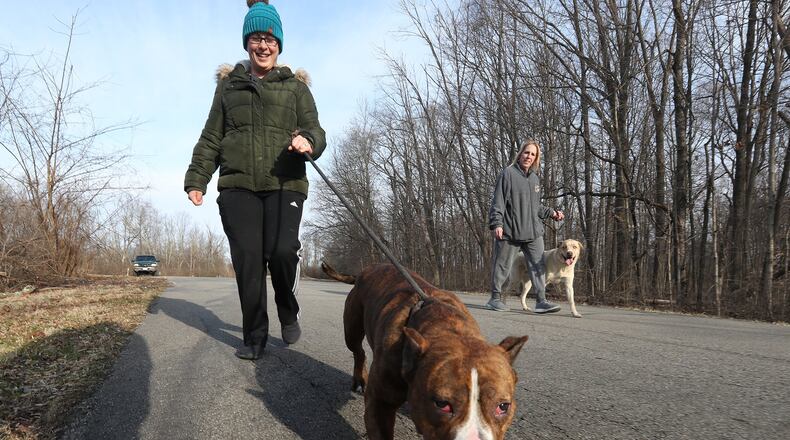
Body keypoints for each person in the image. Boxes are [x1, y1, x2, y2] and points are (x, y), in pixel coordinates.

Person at [183, 0, 326, 360]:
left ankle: (287, 308)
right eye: (256, 38)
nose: (263, 46)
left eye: (270, 39)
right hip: (238, 185)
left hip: (284, 183)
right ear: (247, 42)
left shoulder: (295, 87)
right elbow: (211, 136)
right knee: (248, 260)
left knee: (280, 252)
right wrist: (197, 178)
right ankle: (255, 337)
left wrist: (308, 141)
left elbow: (315, 129)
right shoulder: (229, 87)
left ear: (279, 44)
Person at [487, 140, 564, 313]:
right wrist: (496, 223)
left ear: (536, 158)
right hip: (510, 231)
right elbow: (498, 201)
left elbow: (535, 206)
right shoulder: (507, 173)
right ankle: (495, 298)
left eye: (533, 154)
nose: (529, 157)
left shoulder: (534, 178)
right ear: (520, 153)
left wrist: (552, 213)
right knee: (502, 265)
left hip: (533, 231)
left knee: (539, 266)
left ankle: (541, 301)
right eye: (526, 153)